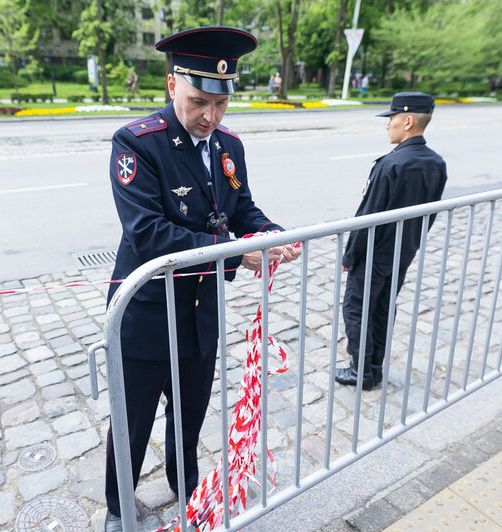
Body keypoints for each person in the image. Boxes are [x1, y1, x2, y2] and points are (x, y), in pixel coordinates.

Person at [104, 26, 300, 531]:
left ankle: (186, 487)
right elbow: (149, 233)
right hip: (147, 312)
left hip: (200, 311)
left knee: (190, 412)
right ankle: (117, 506)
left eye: (221, 104)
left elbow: (242, 210)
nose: (210, 117)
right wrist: (238, 257)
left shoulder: (229, 144)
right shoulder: (137, 142)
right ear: (173, 86)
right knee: (132, 421)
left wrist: (270, 234)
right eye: (198, 102)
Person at [335, 92, 447, 391]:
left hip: (374, 253)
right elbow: (429, 215)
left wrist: (350, 256)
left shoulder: (391, 164)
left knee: (357, 309)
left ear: (408, 121)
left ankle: (362, 371)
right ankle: (374, 368)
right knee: (384, 308)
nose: (388, 125)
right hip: (403, 251)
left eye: (392, 118)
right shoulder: (436, 163)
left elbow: (367, 216)